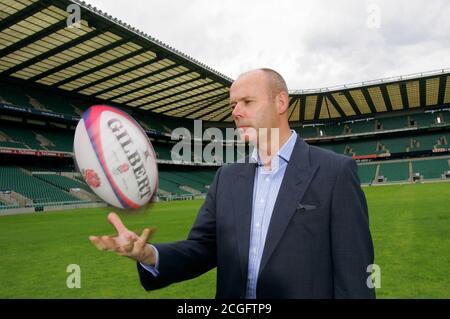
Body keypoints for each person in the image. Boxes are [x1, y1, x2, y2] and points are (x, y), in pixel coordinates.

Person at [89, 68, 376, 299]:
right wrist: (149, 254)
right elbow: (202, 249)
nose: (236, 111)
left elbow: (354, 278)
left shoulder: (334, 172)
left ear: (280, 103)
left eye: (247, 102)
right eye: (233, 105)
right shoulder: (226, 177)